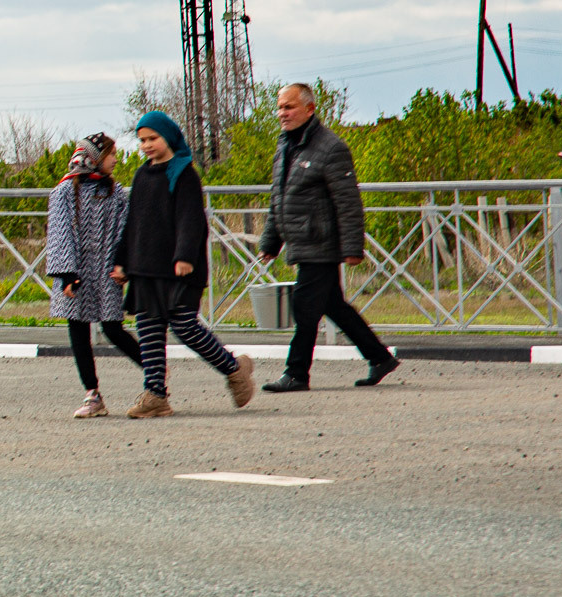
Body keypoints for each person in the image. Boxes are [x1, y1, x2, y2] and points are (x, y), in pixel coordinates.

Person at [111, 110, 256, 418]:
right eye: (142, 140)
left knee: (185, 327)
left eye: (153, 139)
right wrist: (121, 261)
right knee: (148, 329)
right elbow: (132, 222)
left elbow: (191, 219)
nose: (147, 145)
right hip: (145, 268)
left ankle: (234, 369)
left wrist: (185, 256)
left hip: (178, 269)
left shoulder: (183, 173)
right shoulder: (141, 175)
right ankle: (156, 395)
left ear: (170, 137)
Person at [259, 84, 399, 392]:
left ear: (309, 109)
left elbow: (348, 202)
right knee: (333, 305)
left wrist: (352, 247)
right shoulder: (285, 146)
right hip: (301, 242)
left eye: (289, 107)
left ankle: (296, 373)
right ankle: (379, 357)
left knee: (305, 306)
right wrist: (271, 242)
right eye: (280, 107)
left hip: (321, 243)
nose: (283, 113)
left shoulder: (330, 147)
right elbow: (278, 199)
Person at [44, 133, 143, 418]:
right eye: (111, 155)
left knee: (112, 328)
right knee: (77, 328)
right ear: (94, 159)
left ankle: (155, 373)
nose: (115, 160)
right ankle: (92, 394)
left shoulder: (116, 192)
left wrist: (124, 264)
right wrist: (66, 273)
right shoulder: (63, 192)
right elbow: (60, 233)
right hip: (75, 273)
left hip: (106, 270)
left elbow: (127, 231)